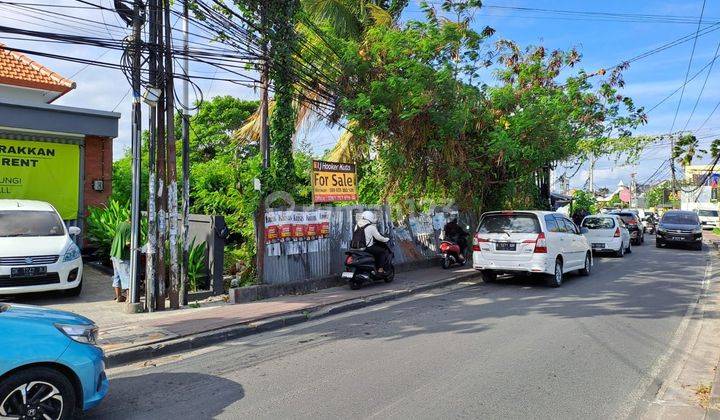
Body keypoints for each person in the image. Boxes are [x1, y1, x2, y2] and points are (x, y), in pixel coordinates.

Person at [110, 219, 131, 302]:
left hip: (114, 254)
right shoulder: (130, 227)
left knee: (117, 276)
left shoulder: (120, 224)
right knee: (127, 276)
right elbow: (128, 243)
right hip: (123, 255)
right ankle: (129, 298)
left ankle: (119, 297)